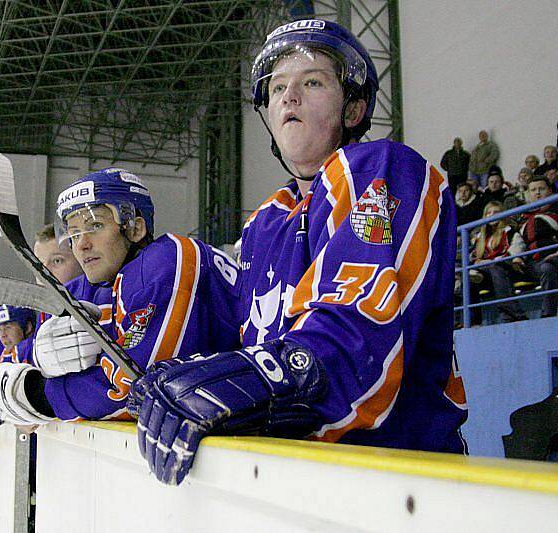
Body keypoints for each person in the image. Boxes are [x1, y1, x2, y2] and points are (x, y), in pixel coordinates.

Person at [126, 19, 467, 486]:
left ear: (354, 109)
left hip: (404, 483)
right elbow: (225, 338)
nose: (288, 97)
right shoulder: (265, 221)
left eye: (312, 82)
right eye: (277, 88)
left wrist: (272, 375)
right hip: (293, 480)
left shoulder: (386, 168)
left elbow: (358, 338)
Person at [0, 168, 242, 426]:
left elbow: (140, 390)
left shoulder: (169, 260)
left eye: (95, 226)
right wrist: (39, 358)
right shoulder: (99, 284)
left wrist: (38, 395)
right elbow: (42, 344)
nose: (81, 244)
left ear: (136, 228)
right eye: (73, 233)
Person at [469, 201, 526, 323]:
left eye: (496, 212)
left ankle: (515, 314)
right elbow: (474, 257)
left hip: (507, 268)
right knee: (466, 277)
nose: (492, 215)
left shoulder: (509, 231)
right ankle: (473, 321)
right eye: (488, 213)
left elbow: (517, 248)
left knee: (496, 267)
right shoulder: (480, 237)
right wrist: (478, 263)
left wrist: (490, 261)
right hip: (486, 272)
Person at [512, 175, 558, 317]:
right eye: (533, 190)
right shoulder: (523, 218)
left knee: (547, 268)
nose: (537, 193)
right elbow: (517, 241)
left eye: (541, 189)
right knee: (498, 268)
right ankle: (513, 315)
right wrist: (516, 257)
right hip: (532, 263)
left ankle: (547, 314)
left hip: (552, 259)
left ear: (550, 191)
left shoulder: (556, 211)